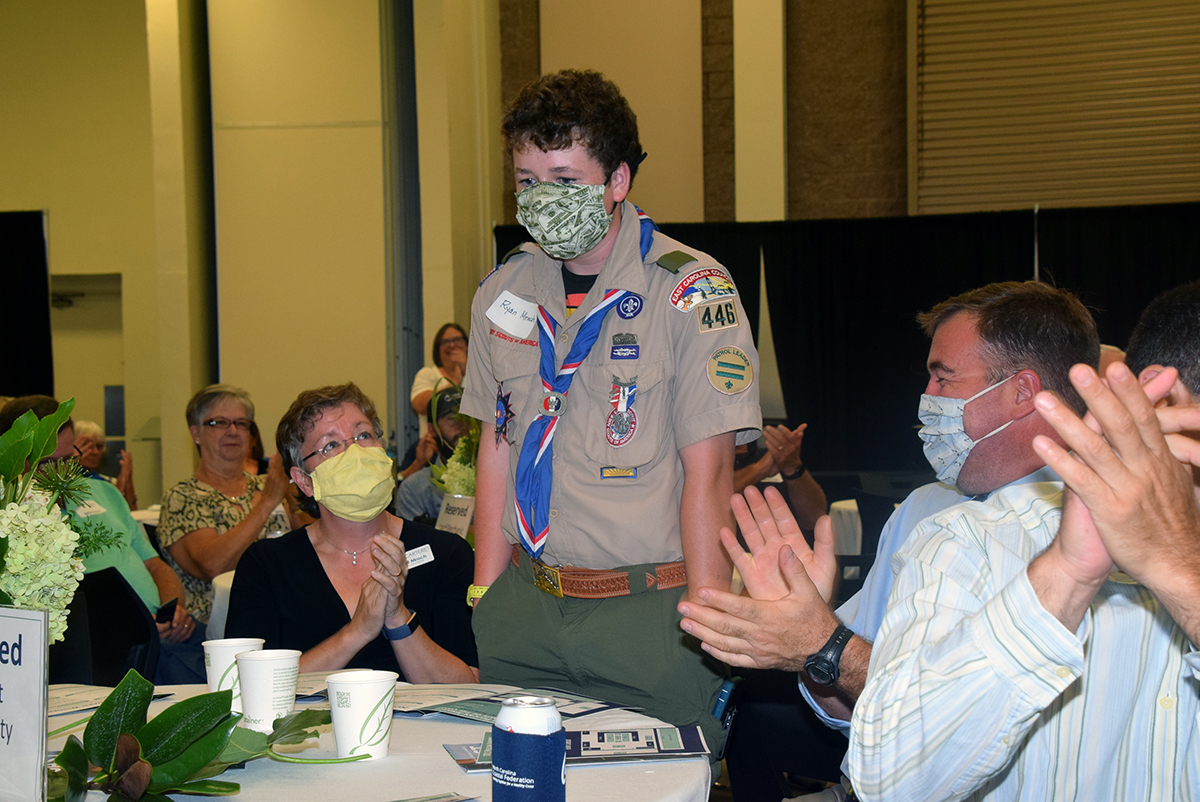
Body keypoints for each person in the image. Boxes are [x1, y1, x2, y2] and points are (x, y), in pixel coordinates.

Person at [676, 281, 1099, 799]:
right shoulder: (924, 510)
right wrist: (810, 637)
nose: (927, 399)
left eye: (944, 380)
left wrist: (824, 643)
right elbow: (847, 704)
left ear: (1021, 393)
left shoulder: (1114, 529)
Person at [462, 69, 761, 756]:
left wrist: (710, 627)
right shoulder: (502, 292)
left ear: (617, 181)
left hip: (649, 614)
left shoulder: (689, 291)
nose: (542, 199)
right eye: (528, 181)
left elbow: (709, 478)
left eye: (565, 180)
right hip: (526, 608)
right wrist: (485, 597)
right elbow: (498, 446)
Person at [847, 280, 1200, 800]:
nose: (927, 400)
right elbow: (888, 778)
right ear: (1163, 395)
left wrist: (1183, 580)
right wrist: (1065, 575)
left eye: (944, 380)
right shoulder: (968, 537)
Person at [226, 383, 477, 680]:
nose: (355, 451)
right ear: (305, 481)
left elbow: (466, 687)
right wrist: (357, 632)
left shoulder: (446, 554)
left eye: (363, 435)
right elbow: (252, 687)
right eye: (331, 445)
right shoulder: (266, 565)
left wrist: (398, 617)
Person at [0, 396, 206, 684]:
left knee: (230, 649)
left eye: (70, 460)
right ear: (14, 458)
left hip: (163, 626)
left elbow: (155, 565)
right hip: (107, 643)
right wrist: (141, 624)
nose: (63, 474)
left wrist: (173, 610)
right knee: (209, 675)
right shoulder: (15, 517)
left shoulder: (102, 492)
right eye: (47, 463)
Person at [157, 384, 290, 624]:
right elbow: (213, 565)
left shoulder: (267, 484)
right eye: (219, 422)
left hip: (287, 614)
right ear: (195, 433)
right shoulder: (183, 497)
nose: (233, 431)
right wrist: (267, 503)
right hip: (221, 629)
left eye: (241, 423)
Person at [734, 423, 827, 531]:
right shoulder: (713, 465)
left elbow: (815, 520)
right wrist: (759, 470)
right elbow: (713, 496)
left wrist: (792, 466)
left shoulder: (773, 456)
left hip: (789, 542)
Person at [395, 386, 467, 521]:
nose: (462, 423)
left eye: (467, 416)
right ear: (432, 429)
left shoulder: (498, 479)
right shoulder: (414, 489)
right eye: (452, 417)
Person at [73, 419, 138, 510]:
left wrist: (127, 479)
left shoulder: (109, 482)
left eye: (99, 446)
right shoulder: (64, 483)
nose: (95, 452)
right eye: (88, 446)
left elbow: (132, 516)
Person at [411, 323, 468, 419]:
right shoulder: (427, 374)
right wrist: (453, 384)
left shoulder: (479, 375)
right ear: (438, 348)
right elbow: (419, 405)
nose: (452, 345)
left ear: (467, 345)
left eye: (457, 340)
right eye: (446, 342)